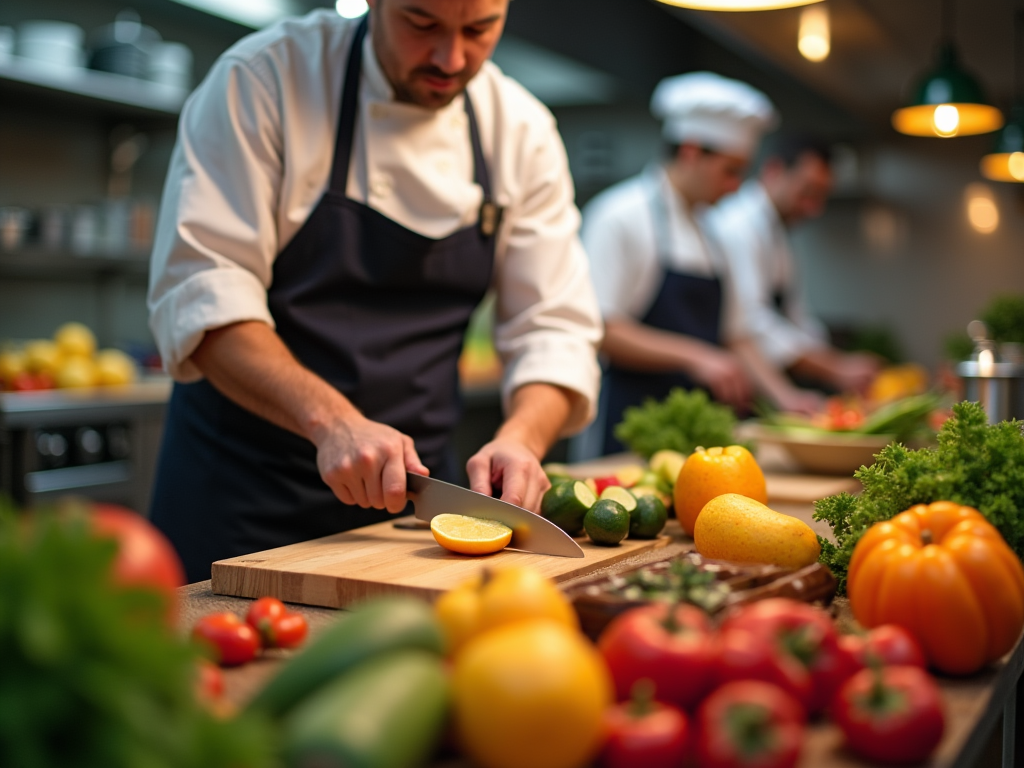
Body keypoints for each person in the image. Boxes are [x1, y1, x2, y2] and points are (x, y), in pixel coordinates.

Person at [146, 0, 602, 582]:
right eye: (422, 23)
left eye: (479, 29)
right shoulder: (264, 79)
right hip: (241, 498)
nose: (451, 57)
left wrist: (523, 436)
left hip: (409, 512)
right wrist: (332, 423)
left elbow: (554, 327)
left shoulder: (521, 130)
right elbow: (204, 294)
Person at [580, 72, 812, 456]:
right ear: (691, 152)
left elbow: (737, 335)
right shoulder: (620, 215)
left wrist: (785, 398)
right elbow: (603, 327)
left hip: (699, 433)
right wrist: (696, 356)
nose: (737, 186)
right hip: (629, 427)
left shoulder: (716, 233)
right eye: (731, 170)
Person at [708, 135, 881, 395]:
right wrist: (835, 368)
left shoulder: (777, 232)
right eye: (807, 192)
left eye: (821, 197)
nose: (814, 208)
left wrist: (839, 363)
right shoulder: (737, 226)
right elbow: (752, 325)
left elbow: (797, 318)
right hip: (738, 385)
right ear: (774, 171)